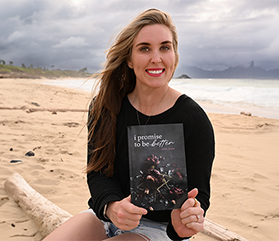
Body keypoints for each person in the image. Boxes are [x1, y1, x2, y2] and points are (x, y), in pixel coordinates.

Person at [44, 8, 215, 241]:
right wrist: (112, 207)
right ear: (129, 59)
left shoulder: (194, 119)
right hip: (105, 217)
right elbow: (98, 172)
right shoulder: (106, 106)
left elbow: (200, 194)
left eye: (165, 47)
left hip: (158, 230)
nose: (156, 58)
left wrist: (186, 219)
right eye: (145, 48)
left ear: (175, 55)